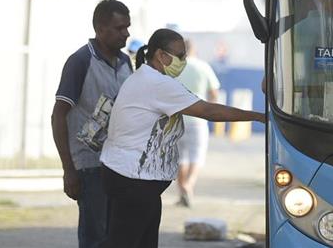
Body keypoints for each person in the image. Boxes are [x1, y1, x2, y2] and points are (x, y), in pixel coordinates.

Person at [98, 28, 265, 248]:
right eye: (180, 56)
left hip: (136, 180)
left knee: (143, 241)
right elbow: (209, 112)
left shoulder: (146, 78)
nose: (184, 61)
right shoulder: (157, 84)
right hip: (132, 180)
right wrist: (258, 116)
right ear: (161, 55)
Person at [51, 0, 132, 248]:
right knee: (95, 236)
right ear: (100, 28)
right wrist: (69, 169)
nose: (126, 34)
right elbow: (58, 116)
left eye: (127, 27)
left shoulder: (126, 62)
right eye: (119, 28)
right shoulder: (80, 61)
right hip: (89, 166)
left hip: (119, 166)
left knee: (117, 237)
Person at [175, 40, 221, 207]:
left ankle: (182, 192)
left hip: (177, 119)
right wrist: (211, 110)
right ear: (194, 50)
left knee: (181, 158)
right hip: (198, 119)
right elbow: (214, 93)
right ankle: (189, 184)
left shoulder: (175, 67)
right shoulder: (203, 67)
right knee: (197, 156)